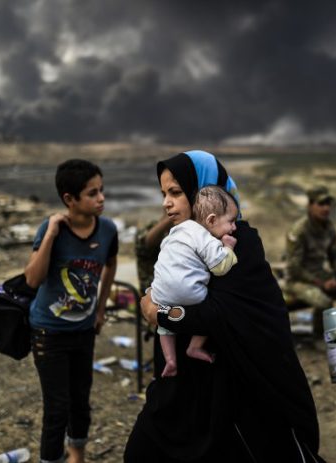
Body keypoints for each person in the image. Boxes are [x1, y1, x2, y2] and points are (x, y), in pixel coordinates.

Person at [124, 150, 323, 462]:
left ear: (205, 192)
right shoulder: (180, 239)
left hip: (233, 391)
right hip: (181, 386)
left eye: (175, 192)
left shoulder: (239, 241)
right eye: (163, 193)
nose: (165, 203)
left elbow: (220, 315)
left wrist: (158, 313)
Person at [24, 159, 118, 463]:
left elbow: (110, 263)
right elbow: (33, 279)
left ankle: (76, 455)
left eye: (102, 190)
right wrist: (51, 233)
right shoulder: (51, 230)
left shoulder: (107, 230)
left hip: (84, 331)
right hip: (48, 333)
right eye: (92, 193)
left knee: (80, 402)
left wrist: (101, 309)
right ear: (70, 199)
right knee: (57, 407)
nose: (101, 198)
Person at [152, 185, 239, 377]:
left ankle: (170, 360)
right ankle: (194, 347)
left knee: (164, 327)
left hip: (159, 293)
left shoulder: (177, 230)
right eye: (231, 221)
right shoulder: (205, 237)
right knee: (211, 310)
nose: (234, 227)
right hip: (190, 294)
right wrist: (228, 247)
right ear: (211, 220)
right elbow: (220, 267)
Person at [284, 185, 336, 336]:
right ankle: (319, 336)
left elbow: (335, 255)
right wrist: (321, 283)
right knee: (324, 302)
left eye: (328, 204)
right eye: (321, 204)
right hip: (297, 281)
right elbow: (294, 268)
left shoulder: (329, 227)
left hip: (320, 274)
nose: (326, 208)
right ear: (309, 206)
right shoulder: (299, 231)